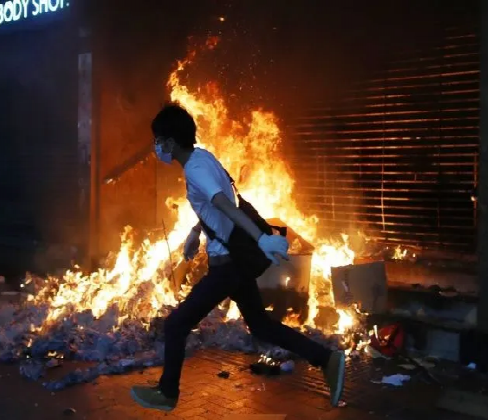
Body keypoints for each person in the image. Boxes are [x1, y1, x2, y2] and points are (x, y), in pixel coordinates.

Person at [130, 103, 345, 412]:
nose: (157, 147)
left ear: (171, 142)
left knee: (176, 325)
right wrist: (195, 232)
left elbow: (223, 203)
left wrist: (262, 239)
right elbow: (215, 204)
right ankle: (327, 359)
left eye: (158, 140)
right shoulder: (203, 157)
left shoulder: (195, 168)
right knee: (260, 325)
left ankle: (167, 393)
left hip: (226, 268)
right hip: (234, 263)